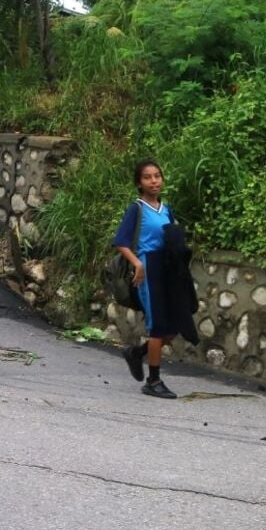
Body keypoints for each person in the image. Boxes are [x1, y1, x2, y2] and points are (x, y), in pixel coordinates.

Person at [113, 158, 187, 399]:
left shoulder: (166, 209)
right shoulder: (137, 208)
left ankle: (137, 353)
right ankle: (153, 381)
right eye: (148, 177)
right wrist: (137, 264)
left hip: (165, 270)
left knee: (173, 327)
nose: (154, 181)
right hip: (147, 270)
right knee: (158, 326)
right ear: (139, 183)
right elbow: (121, 242)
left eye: (157, 176)